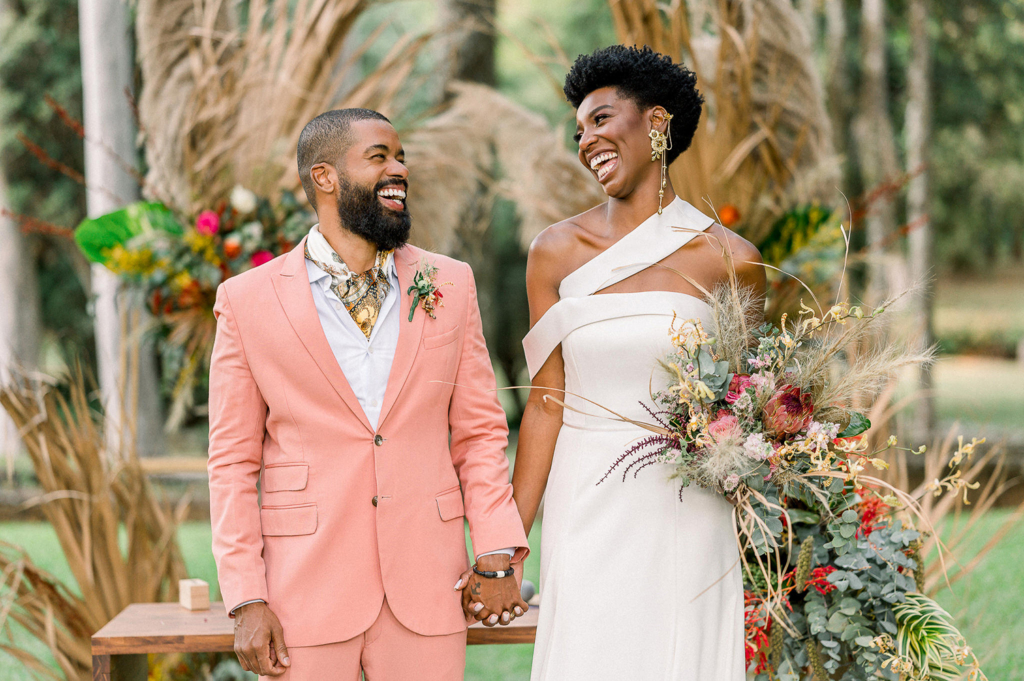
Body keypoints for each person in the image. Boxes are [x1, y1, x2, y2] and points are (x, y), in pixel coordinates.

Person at [207, 108, 529, 680]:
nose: (398, 169)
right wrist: (245, 597)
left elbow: (480, 433)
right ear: (325, 176)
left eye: (400, 156)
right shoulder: (246, 299)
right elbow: (232, 462)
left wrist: (498, 550)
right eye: (379, 157)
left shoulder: (450, 284)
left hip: (428, 585)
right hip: (302, 591)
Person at [513, 46, 766, 679]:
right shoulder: (555, 253)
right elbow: (546, 403)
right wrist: (507, 546)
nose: (586, 139)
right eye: (579, 130)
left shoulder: (731, 258)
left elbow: (751, 401)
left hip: (688, 504)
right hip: (585, 499)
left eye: (601, 119)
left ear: (656, 122)